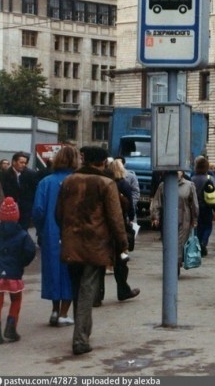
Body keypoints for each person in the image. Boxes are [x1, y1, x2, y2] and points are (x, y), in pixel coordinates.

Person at [55, 146, 129, 356]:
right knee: (88, 290)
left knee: (78, 289)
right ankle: (80, 339)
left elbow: (58, 214)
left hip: (71, 243)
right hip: (95, 244)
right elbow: (115, 219)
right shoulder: (106, 183)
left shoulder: (69, 181)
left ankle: (83, 333)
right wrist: (122, 244)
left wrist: (68, 233)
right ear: (103, 162)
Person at [32, 145, 79, 327]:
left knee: (53, 271)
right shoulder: (77, 181)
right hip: (73, 234)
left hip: (50, 233)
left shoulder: (45, 182)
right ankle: (64, 313)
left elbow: (38, 210)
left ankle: (54, 310)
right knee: (70, 273)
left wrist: (41, 229)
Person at [94, 159, 140, 305]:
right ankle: (123, 290)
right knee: (121, 260)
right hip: (119, 228)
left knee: (100, 262)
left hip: (101, 228)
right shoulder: (123, 184)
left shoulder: (101, 184)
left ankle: (97, 296)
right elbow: (130, 207)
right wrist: (131, 219)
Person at [0, 197, 37, 345]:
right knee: (16, 300)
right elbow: (30, 251)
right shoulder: (22, 234)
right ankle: (11, 328)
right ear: (16, 215)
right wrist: (21, 263)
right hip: (14, 273)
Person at [150, 170, 199, 272]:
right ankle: (171, 265)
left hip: (184, 219)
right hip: (167, 220)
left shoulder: (189, 185)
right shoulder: (163, 186)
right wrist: (155, 217)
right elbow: (157, 202)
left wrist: (194, 219)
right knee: (168, 243)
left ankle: (176, 266)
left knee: (180, 244)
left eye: (179, 170)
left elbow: (194, 204)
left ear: (183, 172)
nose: (177, 172)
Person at [0, 152, 39, 230]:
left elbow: (34, 190)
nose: (24, 165)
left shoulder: (31, 174)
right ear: (14, 162)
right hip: (10, 209)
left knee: (23, 230)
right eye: (21, 162)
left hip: (26, 209)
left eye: (25, 163)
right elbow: (3, 191)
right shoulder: (5, 175)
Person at [191, 156, 215, 257]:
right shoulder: (209, 178)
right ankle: (204, 242)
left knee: (198, 226)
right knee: (207, 226)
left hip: (195, 207)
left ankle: (198, 244)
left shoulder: (192, 179)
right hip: (207, 206)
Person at [115, 156, 140, 223]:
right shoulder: (110, 177)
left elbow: (135, 192)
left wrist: (131, 204)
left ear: (124, 164)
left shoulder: (131, 176)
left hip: (128, 209)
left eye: (120, 164)